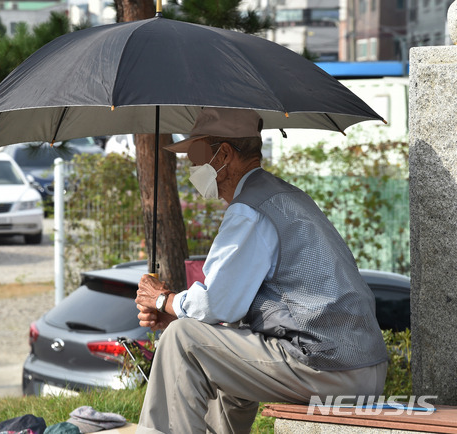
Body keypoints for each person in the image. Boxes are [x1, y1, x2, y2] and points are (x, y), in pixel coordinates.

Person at [134, 107, 388, 434]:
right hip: (356, 367)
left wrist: (163, 301)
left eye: (195, 154)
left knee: (181, 340)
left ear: (224, 154)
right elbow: (236, 306)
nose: (190, 166)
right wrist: (178, 310)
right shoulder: (283, 197)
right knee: (217, 351)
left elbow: (214, 304)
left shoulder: (249, 210)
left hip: (328, 368)